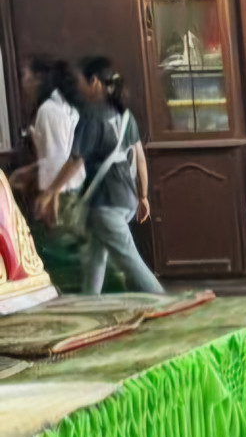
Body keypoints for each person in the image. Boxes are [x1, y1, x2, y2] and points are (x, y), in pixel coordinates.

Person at [37, 56, 159, 295]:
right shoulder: (124, 114)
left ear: (93, 82)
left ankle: (168, 303)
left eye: (80, 82)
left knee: (132, 265)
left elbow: (75, 161)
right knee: (95, 260)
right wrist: (143, 196)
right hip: (125, 198)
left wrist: (51, 192)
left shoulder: (91, 116)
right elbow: (140, 158)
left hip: (106, 203)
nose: (78, 88)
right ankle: (90, 301)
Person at [11, 58, 76, 201]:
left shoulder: (48, 110)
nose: (22, 83)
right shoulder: (57, 106)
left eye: (24, 75)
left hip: (58, 194)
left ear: (38, 78)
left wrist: (49, 196)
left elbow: (56, 161)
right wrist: (30, 170)